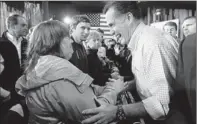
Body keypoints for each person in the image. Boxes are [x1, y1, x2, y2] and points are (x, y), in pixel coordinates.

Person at [82, 1, 188, 124]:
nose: (110, 32)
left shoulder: (152, 44)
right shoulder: (143, 40)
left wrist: (117, 111)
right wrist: (131, 84)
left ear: (128, 18)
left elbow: (162, 105)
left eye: (112, 25)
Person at [15, 20, 124, 124]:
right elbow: (94, 115)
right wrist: (114, 90)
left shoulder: (47, 68)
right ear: (57, 42)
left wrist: (105, 88)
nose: (71, 41)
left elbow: (81, 90)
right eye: (68, 37)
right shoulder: (59, 77)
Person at [0, 14, 28, 121]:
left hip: (23, 91)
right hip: (5, 92)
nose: (26, 28)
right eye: (23, 25)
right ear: (12, 26)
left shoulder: (27, 43)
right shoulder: (1, 44)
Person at [175, 33, 196, 124]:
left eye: (189, 25)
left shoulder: (186, 42)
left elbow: (181, 77)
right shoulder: (186, 42)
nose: (185, 29)